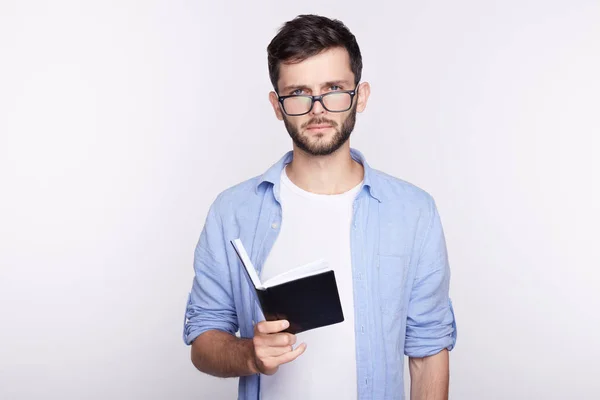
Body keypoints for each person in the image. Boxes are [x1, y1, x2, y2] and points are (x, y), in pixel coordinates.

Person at [183, 14, 457, 400]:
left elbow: (428, 353)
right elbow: (204, 340)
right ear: (277, 106)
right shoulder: (233, 212)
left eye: (333, 88)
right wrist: (249, 354)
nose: (317, 108)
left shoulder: (413, 213)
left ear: (360, 96)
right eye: (297, 93)